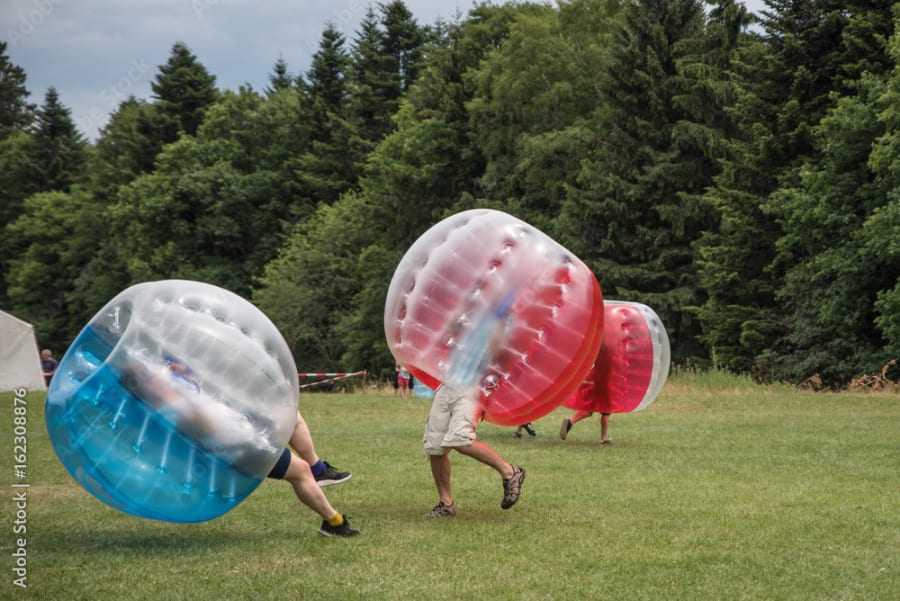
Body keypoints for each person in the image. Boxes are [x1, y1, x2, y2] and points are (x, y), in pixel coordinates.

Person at [121, 354, 357, 536]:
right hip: (238, 449)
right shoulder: (167, 409)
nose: (160, 374)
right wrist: (194, 404)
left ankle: (320, 472)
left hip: (242, 429)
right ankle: (333, 522)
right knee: (299, 471)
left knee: (292, 417)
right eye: (152, 375)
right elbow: (206, 428)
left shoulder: (172, 394)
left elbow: (200, 390)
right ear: (145, 386)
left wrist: (189, 380)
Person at [424, 381, 526, 517]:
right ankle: (446, 504)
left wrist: (488, 391)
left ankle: (510, 472)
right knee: (434, 446)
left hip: (475, 386)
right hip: (448, 383)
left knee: (461, 439)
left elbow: (503, 363)